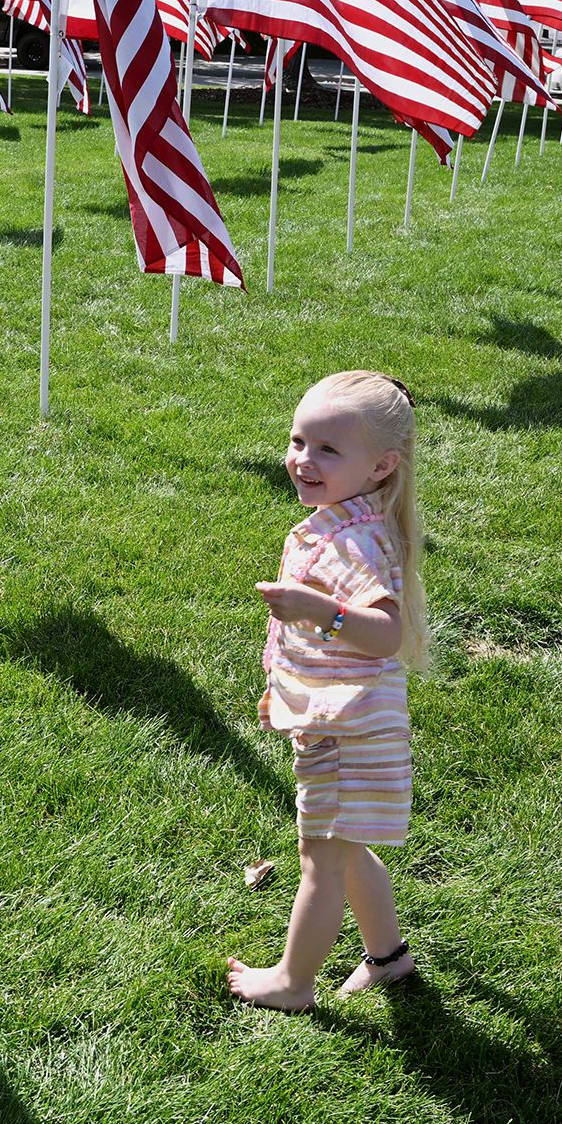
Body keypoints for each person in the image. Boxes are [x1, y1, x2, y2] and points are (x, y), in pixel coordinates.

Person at [228, 372, 427, 1012]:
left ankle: (293, 982)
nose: (302, 460)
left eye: (327, 450)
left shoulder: (353, 543)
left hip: (349, 726)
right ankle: (389, 958)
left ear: (380, 466)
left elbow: (387, 632)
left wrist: (320, 610)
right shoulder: (342, 520)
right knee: (345, 846)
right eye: (298, 441)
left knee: (320, 858)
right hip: (342, 718)